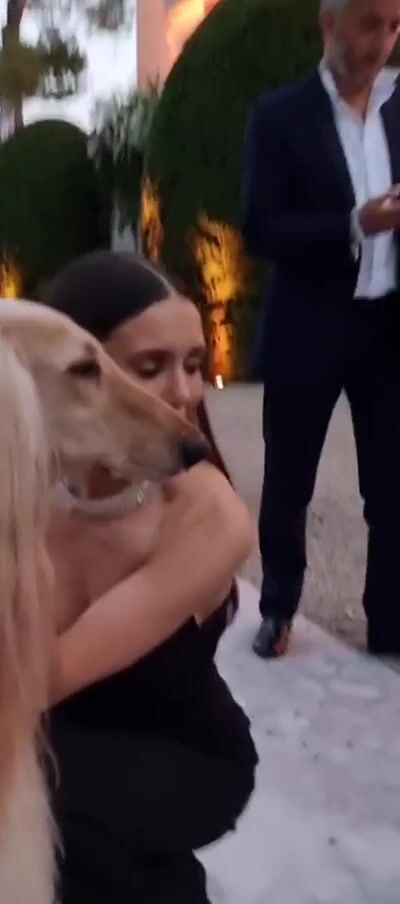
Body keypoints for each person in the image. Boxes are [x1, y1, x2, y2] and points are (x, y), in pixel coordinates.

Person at [44, 251, 258, 904]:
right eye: (149, 366)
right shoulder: (27, 476)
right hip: (57, 739)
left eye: (194, 364)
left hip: (182, 757)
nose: (184, 391)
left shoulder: (208, 517)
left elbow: (47, 676)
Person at [243, 0, 400, 660]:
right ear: (329, 24)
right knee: (289, 483)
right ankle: (277, 609)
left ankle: (390, 624)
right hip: (307, 327)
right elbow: (260, 228)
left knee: (392, 488)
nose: (382, 40)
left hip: (388, 331)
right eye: (369, 24)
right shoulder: (279, 116)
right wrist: (355, 224)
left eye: (394, 25)